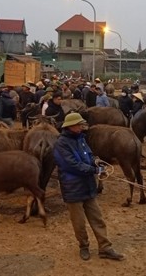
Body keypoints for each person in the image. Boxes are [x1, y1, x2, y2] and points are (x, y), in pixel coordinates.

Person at [53, 112, 125, 261]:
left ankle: (105, 247)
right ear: (71, 126)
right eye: (79, 124)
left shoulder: (81, 139)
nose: (82, 126)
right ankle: (83, 246)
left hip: (87, 185)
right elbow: (72, 165)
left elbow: (89, 155)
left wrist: (95, 161)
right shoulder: (61, 144)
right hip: (72, 187)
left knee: (97, 218)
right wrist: (94, 170)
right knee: (79, 223)